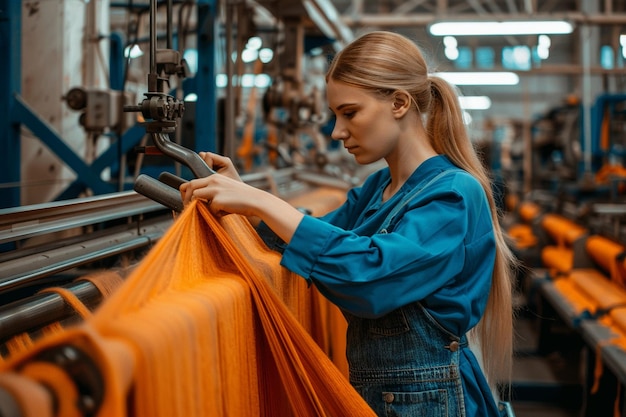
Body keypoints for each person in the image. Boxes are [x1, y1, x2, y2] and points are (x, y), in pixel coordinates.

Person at [180, 30, 516, 417]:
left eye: (349, 112)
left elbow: (371, 276)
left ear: (400, 103)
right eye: (335, 115)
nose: (337, 132)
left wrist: (263, 201)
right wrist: (245, 206)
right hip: (386, 397)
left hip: (428, 402)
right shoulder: (378, 189)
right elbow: (317, 240)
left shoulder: (453, 194)